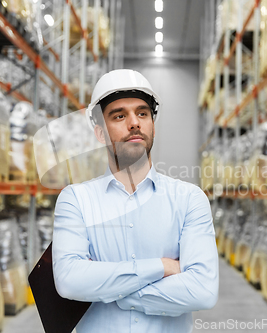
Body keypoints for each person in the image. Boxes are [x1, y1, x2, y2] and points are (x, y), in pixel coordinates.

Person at [52, 69, 219, 333]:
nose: (134, 123)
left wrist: (107, 289)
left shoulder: (189, 200)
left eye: (142, 113)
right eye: (119, 115)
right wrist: (162, 267)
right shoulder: (76, 200)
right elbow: (69, 282)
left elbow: (203, 291)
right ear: (100, 133)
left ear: (152, 124)